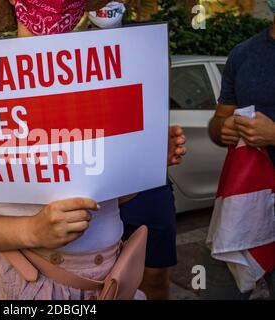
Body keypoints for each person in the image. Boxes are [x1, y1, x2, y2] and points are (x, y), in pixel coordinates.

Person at [0, 0, 185, 300]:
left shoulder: (109, 77)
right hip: (17, 281)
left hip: (106, 282)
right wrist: (31, 231)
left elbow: (116, 196)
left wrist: (146, 163)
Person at [86, 1, 179, 300]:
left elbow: (153, 101)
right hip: (88, 182)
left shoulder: (148, 40)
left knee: (152, 277)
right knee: (95, 277)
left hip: (145, 181)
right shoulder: (58, 42)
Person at [206, 1, 275, 299]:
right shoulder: (243, 53)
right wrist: (223, 129)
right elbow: (219, 120)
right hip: (246, 207)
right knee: (219, 293)